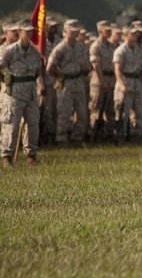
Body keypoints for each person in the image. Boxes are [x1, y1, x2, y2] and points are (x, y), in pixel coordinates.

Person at [0, 21, 44, 167]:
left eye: (31, 31)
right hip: (14, 94)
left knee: (32, 124)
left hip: (30, 93)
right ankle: (7, 157)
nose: (29, 34)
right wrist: (5, 82)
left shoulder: (33, 51)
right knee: (11, 125)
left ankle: (31, 155)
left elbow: (39, 69)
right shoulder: (10, 50)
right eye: (26, 31)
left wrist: (40, 83)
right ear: (19, 32)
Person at [47, 18, 92, 147]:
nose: (75, 34)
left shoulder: (80, 46)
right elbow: (50, 67)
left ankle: (77, 138)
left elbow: (84, 65)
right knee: (64, 113)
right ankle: (61, 139)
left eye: (76, 31)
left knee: (82, 111)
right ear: (65, 31)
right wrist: (59, 77)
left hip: (78, 81)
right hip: (65, 83)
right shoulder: (60, 48)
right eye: (72, 31)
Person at [112, 24, 142, 143]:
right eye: (132, 33)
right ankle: (120, 136)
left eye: (136, 33)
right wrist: (121, 85)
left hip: (136, 83)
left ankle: (136, 136)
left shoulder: (137, 49)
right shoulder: (121, 50)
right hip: (126, 82)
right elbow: (117, 69)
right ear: (125, 35)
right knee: (123, 113)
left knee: (139, 111)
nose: (136, 35)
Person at [88, 20, 116, 142]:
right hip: (99, 82)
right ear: (100, 31)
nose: (109, 32)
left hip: (111, 80)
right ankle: (93, 135)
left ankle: (108, 135)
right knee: (96, 108)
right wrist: (103, 82)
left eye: (110, 30)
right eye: (107, 30)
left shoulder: (112, 46)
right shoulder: (96, 46)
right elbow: (96, 65)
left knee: (110, 109)